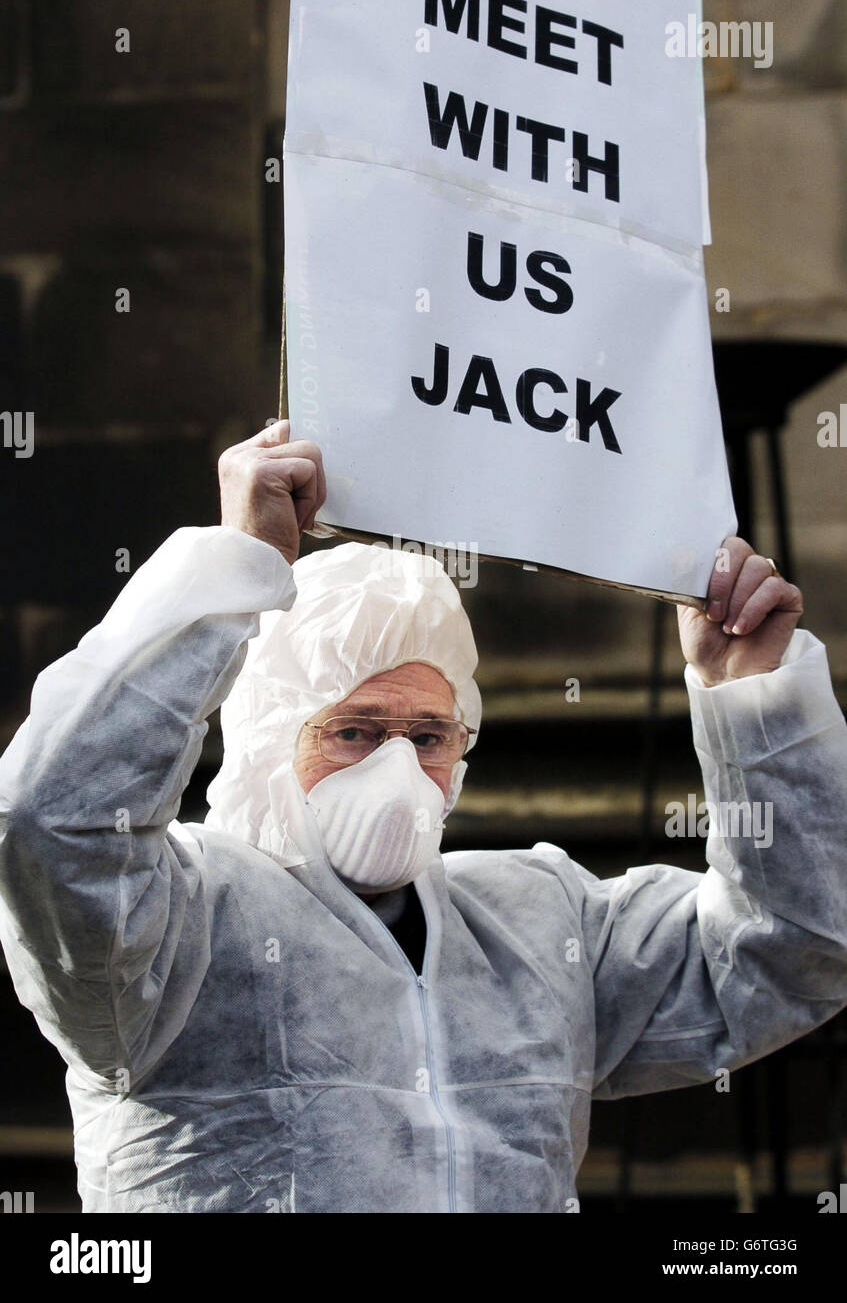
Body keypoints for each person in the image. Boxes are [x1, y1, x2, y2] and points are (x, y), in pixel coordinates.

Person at [1, 420, 846, 1214]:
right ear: (265, 740)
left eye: (429, 735)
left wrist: (751, 701)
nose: (398, 768)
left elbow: (794, 950)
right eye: (354, 731)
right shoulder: (172, 931)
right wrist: (233, 568)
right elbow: (50, 823)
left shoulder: (540, 927)